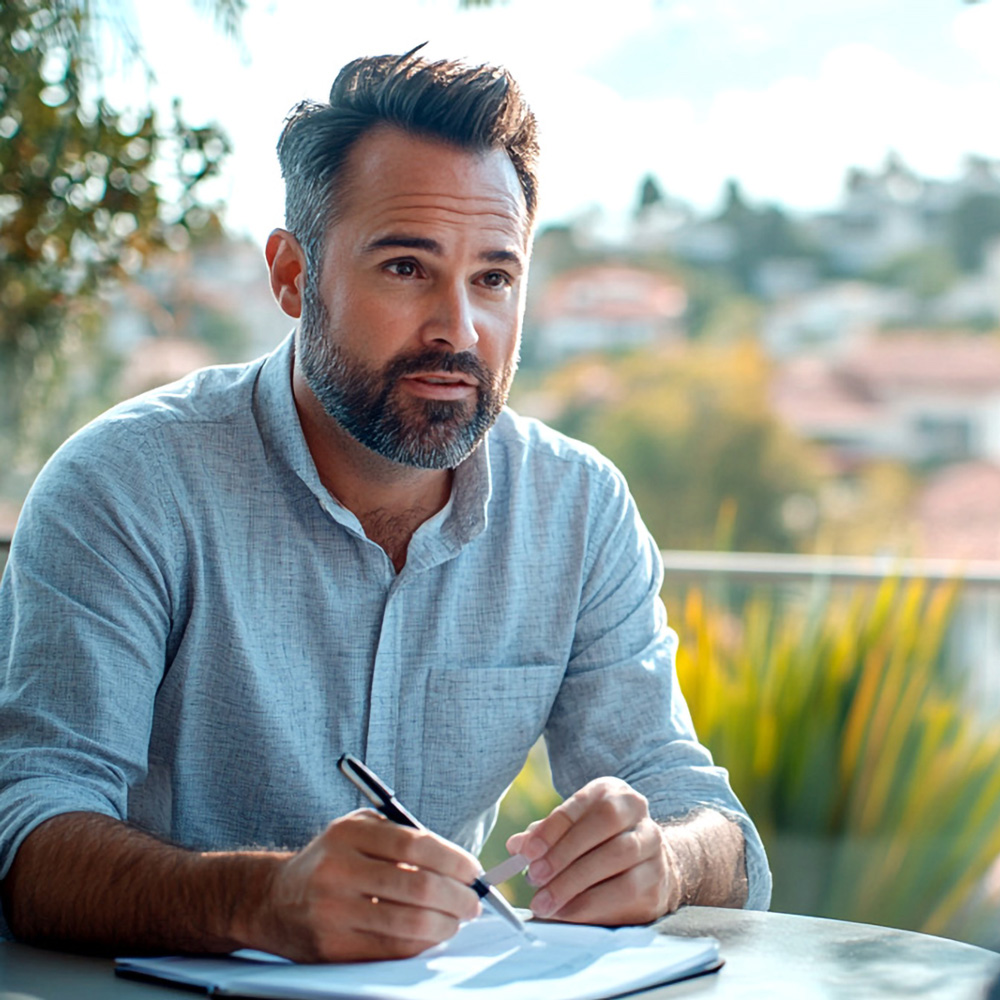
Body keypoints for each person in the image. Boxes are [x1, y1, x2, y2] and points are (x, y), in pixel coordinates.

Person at [0, 48, 771, 963]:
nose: (458, 328)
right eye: (407, 268)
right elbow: (27, 834)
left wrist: (665, 861)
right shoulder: (126, 484)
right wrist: (261, 900)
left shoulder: (580, 509)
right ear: (292, 275)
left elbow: (711, 826)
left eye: (494, 278)